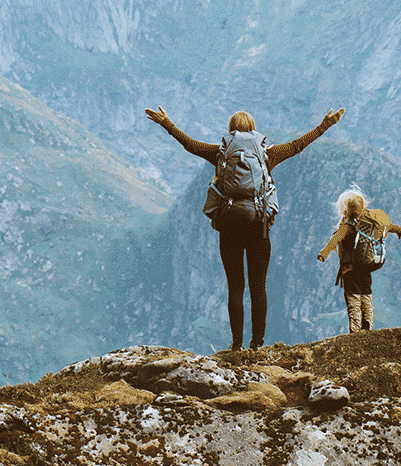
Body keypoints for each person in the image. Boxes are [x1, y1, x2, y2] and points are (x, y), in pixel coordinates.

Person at [145, 105, 344, 351]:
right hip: (258, 224)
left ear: (230, 130)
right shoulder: (267, 154)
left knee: (235, 286)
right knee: (258, 286)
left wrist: (166, 123)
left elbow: (191, 145)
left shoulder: (220, 153)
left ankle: (237, 344)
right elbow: (297, 145)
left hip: (229, 223)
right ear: (253, 129)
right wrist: (326, 125)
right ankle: (257, 344)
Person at [316, 189, 401, 333]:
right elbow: (389, 227)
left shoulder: (346, 226)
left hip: (350, 269)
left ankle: (355, 330)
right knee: (366, 296)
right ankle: (368, 328)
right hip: (367, 266)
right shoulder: (371, 222)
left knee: (353, 299)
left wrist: (323, 253)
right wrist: (400, 231)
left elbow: (335, 239)